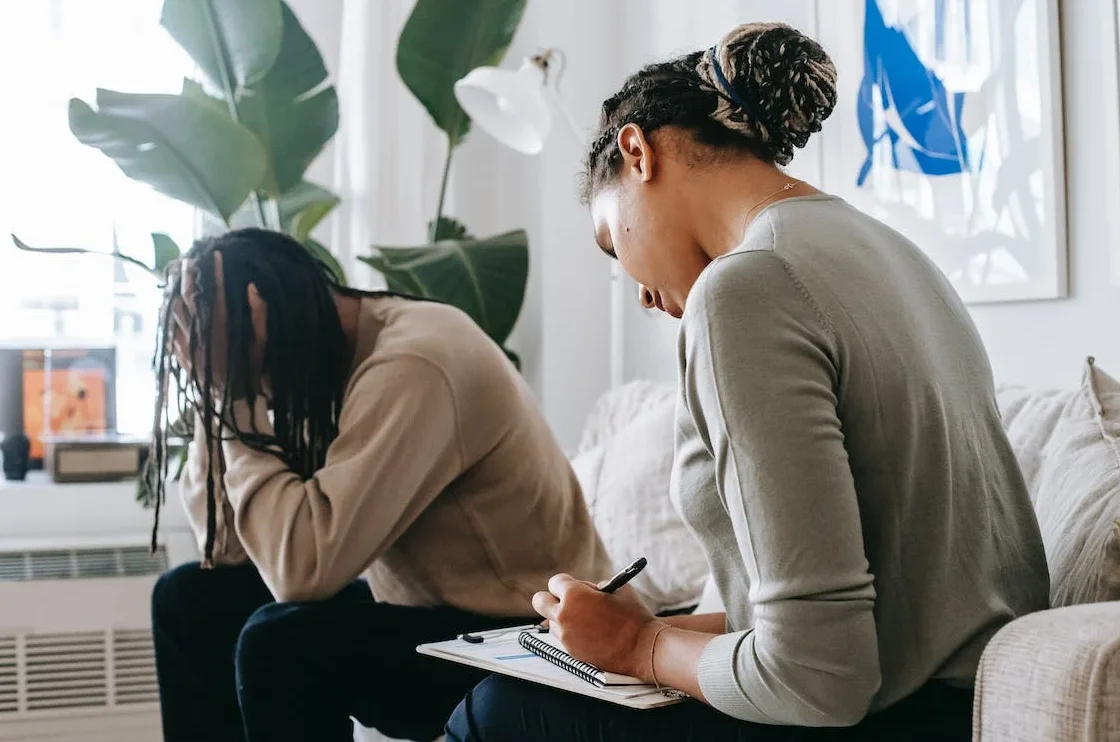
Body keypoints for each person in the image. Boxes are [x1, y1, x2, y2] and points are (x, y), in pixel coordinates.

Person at [446, 21, 1049, 742]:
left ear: (636, 152)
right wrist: (637, 628)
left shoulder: (746, 288)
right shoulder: (894, 253)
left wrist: (637, 649)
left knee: (494, 713)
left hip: (894, 718)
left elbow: (818, 678)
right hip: (972, 699)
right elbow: (867, 586)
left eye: (612, 244)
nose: (635, 292)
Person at [146, 228, 612, 742]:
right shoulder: (314, 368)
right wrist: (217, 396)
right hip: (425, 612)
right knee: (187, 597)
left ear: (272, 317)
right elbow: (226, 549)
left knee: (281, 643)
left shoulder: (414, 363)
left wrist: (234, 396)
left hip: (532, 638)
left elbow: (301, 574)